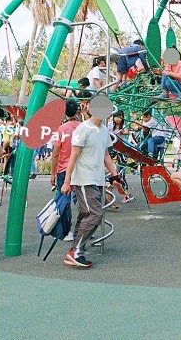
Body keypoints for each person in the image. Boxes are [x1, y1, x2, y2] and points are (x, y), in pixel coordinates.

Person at [61, 104, 122, 269]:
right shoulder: (83, 129)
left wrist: (115, 175)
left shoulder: (103, 131)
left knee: (86, 215)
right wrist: (67, 181)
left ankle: (76, 250)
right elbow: (73, 156)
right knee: (94, 214)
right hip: (83, 179)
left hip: (98, 179)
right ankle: (75, 251)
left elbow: (106, 155)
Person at [49, 100, 83, 240]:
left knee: (64, 201)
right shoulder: (84, 127)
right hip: (81, 169)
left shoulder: (61, 129)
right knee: (83, 200)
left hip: (64, 169)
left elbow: (56, 153)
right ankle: (83, 228)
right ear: (78, 112)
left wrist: (53, 173)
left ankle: (65, 231)